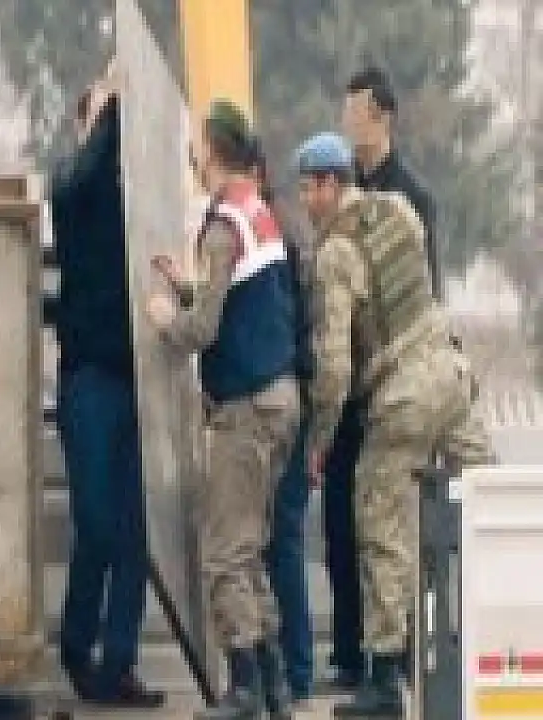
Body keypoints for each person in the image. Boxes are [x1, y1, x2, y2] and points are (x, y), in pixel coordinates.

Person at [293, 132, 493, 718]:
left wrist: (320, 438)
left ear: (331, 184)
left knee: (380, 521)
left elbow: (334, 366)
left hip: (403, 396)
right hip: (451, 375)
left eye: (309, 188)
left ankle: (385, 675)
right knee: (489, 506)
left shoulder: (336, 254)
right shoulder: (400, 210)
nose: (304, 201)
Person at [148, 99, 300, 719]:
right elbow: (242, 299)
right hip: (279, 400)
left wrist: (167, 319)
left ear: (211, 148)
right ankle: (274, 684)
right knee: (249, 548)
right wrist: (189, 286)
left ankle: (244, 687)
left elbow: (204, 329)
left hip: (246, 409)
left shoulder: (220, 226)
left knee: (222, 553)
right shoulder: (255, 212)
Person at [48, 61, 164, 709]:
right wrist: (115, 100)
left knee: (133, 536)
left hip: (133, 380)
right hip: (89, 381)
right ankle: (76, 647)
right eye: (99, 118)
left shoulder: (133, 200)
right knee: (95, 523)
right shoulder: (72, 185)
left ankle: (118, 663)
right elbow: (91, 168)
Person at [250, 150, 316, 705]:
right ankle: (293, 668)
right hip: (297, 398)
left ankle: (292, 670)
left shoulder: (266, 236)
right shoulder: (285, 230)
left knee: (280, 539)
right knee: (280, 539)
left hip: (282, 399)